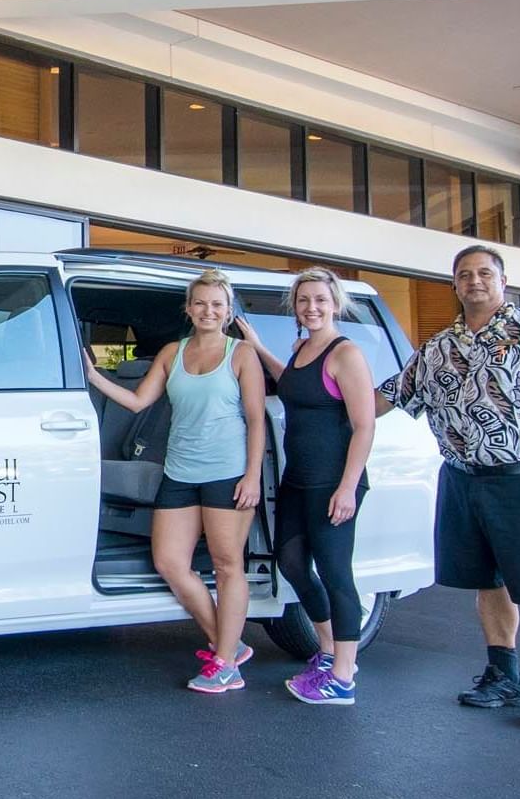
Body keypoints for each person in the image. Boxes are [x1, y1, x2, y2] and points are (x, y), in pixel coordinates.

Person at [376, 245, 520, 731]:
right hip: (462, 479)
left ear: (502, 280)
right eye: (464, 275)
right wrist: (301, 395)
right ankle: (504, 674)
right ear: (454, 284)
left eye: (484, 273)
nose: (474, 281)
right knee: (488, 581)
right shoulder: (437, 348)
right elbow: (385, 398)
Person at [84, 268, 267, 694]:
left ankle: (223, 664)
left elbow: (257, 419)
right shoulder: (172, 352)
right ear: (188, 308)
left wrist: (253, 476)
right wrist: (94, 377)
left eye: (217, 304)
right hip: (180, 471)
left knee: (227, 567)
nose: (208, 311)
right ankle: (231, 646)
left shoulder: (240, 354)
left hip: (229, 473)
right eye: (200, 303)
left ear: (228, 310)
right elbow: (137, 401)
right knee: (169, 561)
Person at [237, 268, 375, 706]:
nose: (311, 308)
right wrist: (259, 348)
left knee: (336, 574)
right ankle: (328, 648)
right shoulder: (300, 350)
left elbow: (364, 425)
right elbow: (293, 383)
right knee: (292, 564)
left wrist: (348, 488)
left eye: (319, 300)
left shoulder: (345, 354)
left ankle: (344, 676)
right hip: (297, 479)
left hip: (334, 482)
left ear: (335, 303)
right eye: (303, 301)